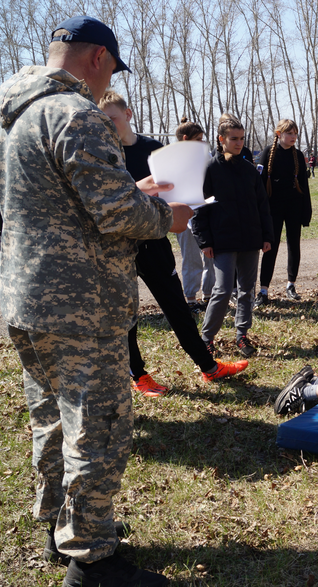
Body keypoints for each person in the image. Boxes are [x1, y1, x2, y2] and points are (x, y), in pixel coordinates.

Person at [0, 15, 193, 587]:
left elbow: (62, 201)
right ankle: (93, 561)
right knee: (97, 429)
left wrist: (134, 191)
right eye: (110, 66)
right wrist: (167, 217)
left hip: (28, 298)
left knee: (51, 421)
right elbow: (116, 216)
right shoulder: (77, 114)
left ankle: (57, 527)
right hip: (80, 304)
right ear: (98, 58)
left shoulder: (16, 116)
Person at [99, 92, 249, 395]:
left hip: (153, 242)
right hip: (117, 247)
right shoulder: (102, 155)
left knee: (177, 306)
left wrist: (184, 205)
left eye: (111, 118)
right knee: (128, 314)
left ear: (127, 115)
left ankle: (209, 367)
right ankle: (138, 375)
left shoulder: (153, 151)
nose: (107, 125)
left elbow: (176, 193)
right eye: (102, 121)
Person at [193, 114, 273, 358]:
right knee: (223, 289)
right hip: (222, 241)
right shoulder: (210, 169)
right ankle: (206, 339)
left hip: (250, 239)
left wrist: (267, 236)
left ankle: (242, 335)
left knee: (247, 289)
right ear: (221, 139)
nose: (239, 143)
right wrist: (204, 241)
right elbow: (199, 207)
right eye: (233, 139)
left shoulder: (250, 171)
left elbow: (262, 206)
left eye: (241, 138)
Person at [256, 118, 312, 305]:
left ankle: (291, 284)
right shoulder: (267, 153)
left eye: (295, 134)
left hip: (294, 207)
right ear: (279, 134)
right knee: (270, 247)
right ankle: (263, 290)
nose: (293, 137)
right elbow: (260, 184)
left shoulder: (298, 155)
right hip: (273, 209)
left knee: (293, 245)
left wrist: (306, 211)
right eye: (289, 133)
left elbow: (304, 185)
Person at [173, 118, 215, 313]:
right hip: (185, 215)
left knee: (210, 255)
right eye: (198, 139)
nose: (201, 142)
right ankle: (190, 299)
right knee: (191, 258)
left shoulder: (205, 157)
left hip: (205, 213)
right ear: (185, 139)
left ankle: (208, 295)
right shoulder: (172, 160)